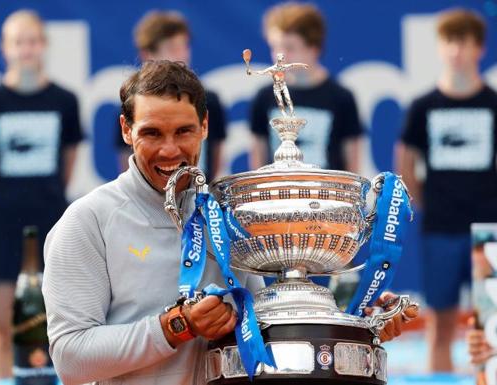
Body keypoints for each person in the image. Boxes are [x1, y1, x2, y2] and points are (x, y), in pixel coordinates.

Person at [42, 60, 415, 385]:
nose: (170, 149)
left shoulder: (224, 216)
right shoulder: (87, 221)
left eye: (184, 131)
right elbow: (71, 358)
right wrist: (178, 326)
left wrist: (357, 321)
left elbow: (260, 325)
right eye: (152, 133)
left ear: (204, 126)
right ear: (126, 130)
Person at [0, 10, 83, 378]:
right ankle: (4, 376)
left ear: (44, 45)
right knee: (4, 322)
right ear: (5, 48)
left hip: (51, 216)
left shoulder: (65, 100)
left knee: (58, 321)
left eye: (32, 41)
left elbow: (67, 162)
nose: (26, 49)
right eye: (18, 42)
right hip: (3, 221)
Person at [396, 8, 497, 372]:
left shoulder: (492, 104)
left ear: (478, 48)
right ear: (440, 48)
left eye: (463, 42)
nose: (455, 50)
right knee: (440, 322)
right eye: (448, 42)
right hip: (440, 226)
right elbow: (406, 162)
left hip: (489, 228)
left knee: (492, 326)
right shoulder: (423, 106)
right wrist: (426, 203)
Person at [249, 2, 363, 172]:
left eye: (290, 48)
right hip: (278, 195)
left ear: (314, 49)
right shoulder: (264, 97)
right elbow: (258, 158)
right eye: (275, 47)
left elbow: (352, 163)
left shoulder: (341, 98)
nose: (281, 55)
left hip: (326, 195)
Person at [114, 10, 226, 180]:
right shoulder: (135, 104)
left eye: (184, 46)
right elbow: (125, 159)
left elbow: (217, 154)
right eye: (172, 48)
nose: (182, 55)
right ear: (147, 54)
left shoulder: (209, 100)